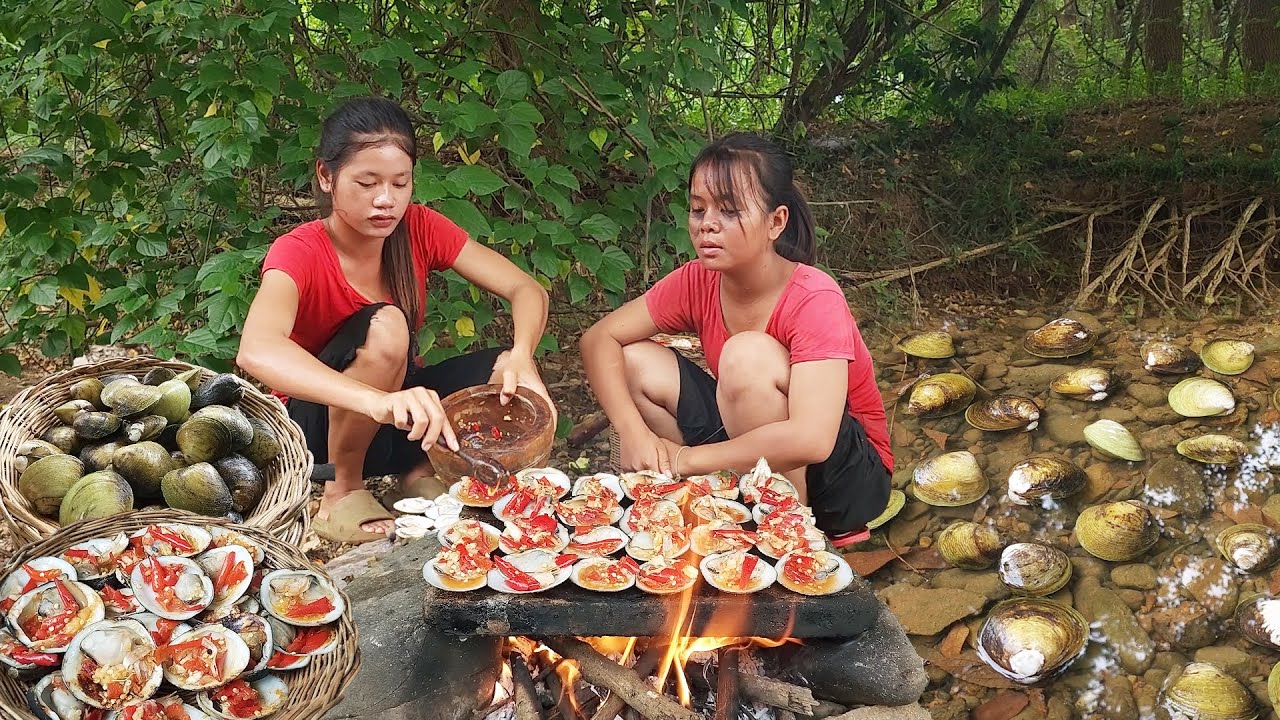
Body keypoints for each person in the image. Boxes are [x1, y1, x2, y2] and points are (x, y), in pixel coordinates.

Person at [237, 97, 553, 545]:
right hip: (315, 434)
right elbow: (257, 349)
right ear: (326, 177)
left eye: (399, 184)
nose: (385, 200)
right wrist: (375, 401)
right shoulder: (301, 250)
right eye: (366, 183)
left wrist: (522, 356)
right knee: (386, 327)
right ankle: (341, 493)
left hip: (394, 423)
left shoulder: (419, 228)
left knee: (502, 369)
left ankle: (421, 470)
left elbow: (527, 290)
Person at [580, 132, 892, 546]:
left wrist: (686, 459)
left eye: (728, 211)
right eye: (697, 208)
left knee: (746, 356)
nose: (707, 223)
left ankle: (786, 532)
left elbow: (813, 439)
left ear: (775, 222)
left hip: (844, 479)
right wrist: (632, 430)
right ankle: (710, 504)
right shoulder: (697, 279)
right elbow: (599, 339)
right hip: (752, 443)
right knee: (634, 359)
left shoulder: (814, 296)